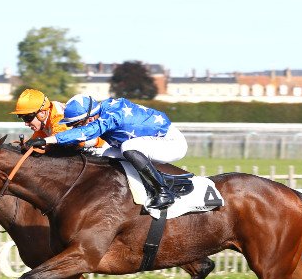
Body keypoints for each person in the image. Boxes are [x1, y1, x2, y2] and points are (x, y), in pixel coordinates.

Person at [29, 94, 188, 209]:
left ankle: (163, 192)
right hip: (152, 142)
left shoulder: (112, 116)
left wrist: (47, 140)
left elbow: (86, 132)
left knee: (128, 148)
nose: (75, 128)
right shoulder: (99, 112)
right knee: (104, 155)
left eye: (76, 125)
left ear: (89, 118)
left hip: (171, 143)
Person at [10, 88, 104, 150]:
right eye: (23, 119)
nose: (26, 124)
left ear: (42, 113)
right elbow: (37, 140)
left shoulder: (58, 118)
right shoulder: (45, 119)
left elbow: (59, 145)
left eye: (27, 118)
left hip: (101, 148)